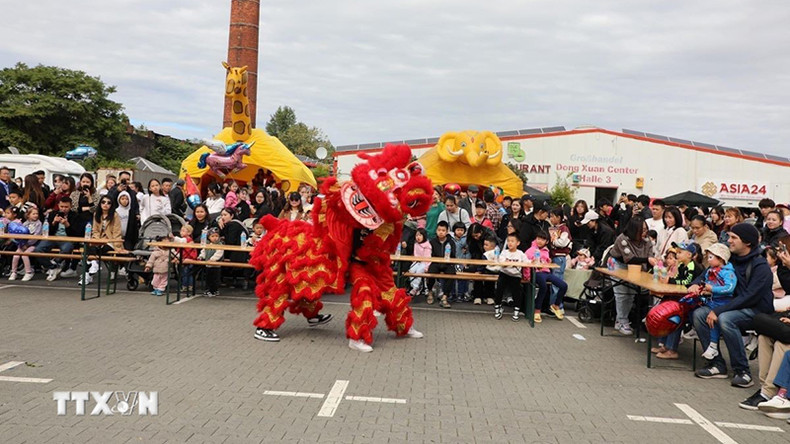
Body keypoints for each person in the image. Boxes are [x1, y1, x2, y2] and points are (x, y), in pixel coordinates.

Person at [692, 223, 774, 386]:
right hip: (731, 306)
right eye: (729, 236)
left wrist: (719, 310)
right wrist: (696, 283)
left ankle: (742, 371)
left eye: (734, 237)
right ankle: (717, 364)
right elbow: (706, 274)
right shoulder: (730, 259)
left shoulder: (760, 266)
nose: (729, 240)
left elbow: (750, 297)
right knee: (699, 314)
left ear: (747, 242)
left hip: (756, 312)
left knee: (726, 319)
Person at [608, 216, 653, 335]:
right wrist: (648, 260)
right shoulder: (622, 239)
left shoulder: (647, 241)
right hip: (619, 264)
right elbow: (629, 259)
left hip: (637, 267)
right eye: (642, 230)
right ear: (634, 230)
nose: (645, 232)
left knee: (631, 293)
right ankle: (622, 321)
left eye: (646, 229)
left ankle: (621, 319)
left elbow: (649, 256)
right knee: (622, 294)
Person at [694, 243, 738, 360]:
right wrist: (704, 290)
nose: (708, 260)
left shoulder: (728, 273)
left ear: (720, 258)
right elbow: (709, 283)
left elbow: (729, 288)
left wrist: (712, 289)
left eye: (710, 257)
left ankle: (713, 345)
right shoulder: (711, 271)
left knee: (713, 322)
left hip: (723, 302)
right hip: (712, 300)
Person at [34, 197, 81, 281]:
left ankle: (55, 263)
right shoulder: (53, 214)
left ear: (70, 206)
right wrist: (53, 223)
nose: (63, 209)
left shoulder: (75, 216)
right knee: (38, 249)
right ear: (58, 205)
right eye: (62, 206)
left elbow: (76, 234)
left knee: (67, 248)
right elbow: (48, 232)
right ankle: (53, 267)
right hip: (53, 237)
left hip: (67, 239)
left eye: (66, 207)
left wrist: (67, 225)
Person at [527, 231, 568, 322]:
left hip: (546, 272)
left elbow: (546, 262)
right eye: (538, 238)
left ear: (546, 242)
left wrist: (548, 261)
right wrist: (531, 265)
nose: (540, 241)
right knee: (543, 286)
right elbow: (525, 261)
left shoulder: (546, 250)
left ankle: (556, 305)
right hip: (536, 273)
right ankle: (537, 310)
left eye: (542, 239)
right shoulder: (531, 250)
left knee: (563, 285)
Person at [493, 232, 529, 321]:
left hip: (515, 275)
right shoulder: (504, 252)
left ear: (518, 243)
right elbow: (502, 263)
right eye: (508, 241)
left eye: (512, 241)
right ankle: (498, 307)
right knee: (499, 289)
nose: (510, 243)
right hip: (504, 274)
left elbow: (527, 262)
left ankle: (516, 310)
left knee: (516, 292)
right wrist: (510, 264)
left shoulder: (520, 254)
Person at [426, 221, 456, 308]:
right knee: (430, 272)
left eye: (443, 230)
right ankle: (430, 291)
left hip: (447, 263)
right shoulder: (432, 242)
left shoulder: (451, 242)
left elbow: (453, 255)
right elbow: (429, 254)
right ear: (436, 231)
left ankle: (444, 297)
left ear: (447, 232)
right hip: (435, 263)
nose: (441, 232)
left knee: (452, 274)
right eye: (439, 230)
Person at [9, 206, 42, 281]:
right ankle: (13, 272)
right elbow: (20, 235)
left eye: (37, 214)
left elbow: (36, 236)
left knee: (24, 255)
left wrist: (27, 244)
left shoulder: (38, 224)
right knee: (16, 255)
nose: (36, 215)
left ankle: (28, 272)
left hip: (33, 244)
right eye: (33, 214)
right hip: (22, 244)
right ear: (28, 215)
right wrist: (21, 244)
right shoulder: (25, 223)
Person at [198, 228, 224, 297]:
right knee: (208, 278)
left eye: (216, 236)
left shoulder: (220, 244)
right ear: (209, 237)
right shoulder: (207, 243)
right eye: (212, 236)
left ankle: (215, 290)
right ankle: (208, 290)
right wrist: (201, 256)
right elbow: (204, 251)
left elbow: (219, 253)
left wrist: (213, 259)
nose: (215, 238)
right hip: (208, 265)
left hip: (216, 265)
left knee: (215, 278)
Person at [408, 228, 432, 297]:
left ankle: (415, 288)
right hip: (417, 262)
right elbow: (415, 255)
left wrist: (427, 267)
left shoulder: (427, 245)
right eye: (417, 235)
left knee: (419, 271)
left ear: (424, 236)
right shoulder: (416, 244)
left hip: (424, 263)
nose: (418, 237)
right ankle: (414, 286)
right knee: (411, 270)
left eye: (420, 235)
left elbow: (428, 257)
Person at [450, 222, 470, 302]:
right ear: (454, 230)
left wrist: (466, 262)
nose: (460, 232)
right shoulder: (450, 239)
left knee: (462, 278)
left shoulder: (466, 240)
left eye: (462, 230)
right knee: (452, 278)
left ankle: (461, 294)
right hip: (452, 262)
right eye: (458, 230)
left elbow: (468, 252)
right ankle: (453, 294)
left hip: (462, 262)